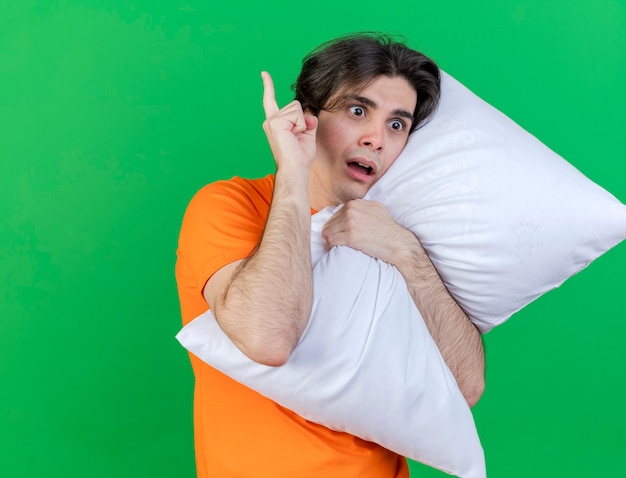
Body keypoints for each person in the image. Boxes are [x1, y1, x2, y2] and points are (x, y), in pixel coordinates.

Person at [176, 33, 485, 478]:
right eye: (358, 111)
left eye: (397, 124)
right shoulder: (230, 204)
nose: (376, 138)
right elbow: (268, 338)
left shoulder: (400, 237)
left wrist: (405, 252)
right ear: (307, 116)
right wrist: (294, 172)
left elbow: (463, 389)